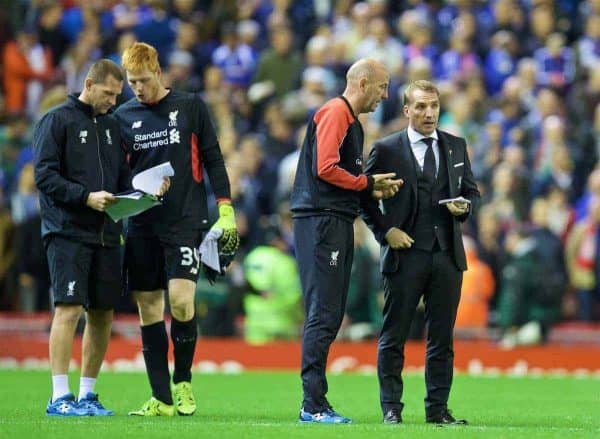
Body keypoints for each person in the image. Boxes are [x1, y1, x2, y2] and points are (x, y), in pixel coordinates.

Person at [114, 42, 238, 417]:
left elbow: (213, 157)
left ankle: (182, 381)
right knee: (148, 308)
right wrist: (130, 196)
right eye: (131, 82)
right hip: (142, 223)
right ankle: (160, 397)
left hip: (185, 220)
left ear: (159, 71)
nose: (138, 88)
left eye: (143, 80)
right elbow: (120, 174)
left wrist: (226, 207)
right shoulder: (123, 116)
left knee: (182, 300)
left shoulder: (189, 107)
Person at [34, 59, 159, 416]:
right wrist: (84, 197)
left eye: (117, 95)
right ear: (88, 84)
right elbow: (44, 176)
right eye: (108, 93)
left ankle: (87, 393)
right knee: (69, 308)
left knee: (102, 313)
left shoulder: (111, 126)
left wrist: (142, 191)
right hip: (68, 231)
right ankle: (60, 396)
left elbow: (122, 178)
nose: (113, 101)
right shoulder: (56, 120)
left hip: (107, 234)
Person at [361, 80, 480, 425]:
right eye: (422, 107)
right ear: (407, 110)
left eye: (434, 106)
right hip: (405, 253)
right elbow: (363, 198)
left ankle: (438, 410)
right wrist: (386, 233)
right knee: (394, 334)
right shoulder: (386, 149)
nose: (430, 113)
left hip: (446, 255)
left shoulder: (456, 146)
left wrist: (465, 207)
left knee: (441, 338)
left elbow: (471, 190)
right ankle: (391, 409)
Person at [290, 58, 402, 424]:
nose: (384, 95)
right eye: (382, 87)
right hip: (322, 220)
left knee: (329, 312)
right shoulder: (336, 112)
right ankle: (313, 404)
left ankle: (315, 401)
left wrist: (370, 186)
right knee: (323, 311)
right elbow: (326, 168)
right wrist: (366, 183)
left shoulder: (348, 119)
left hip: (331, 220)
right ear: (363, 82)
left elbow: (343, 173)